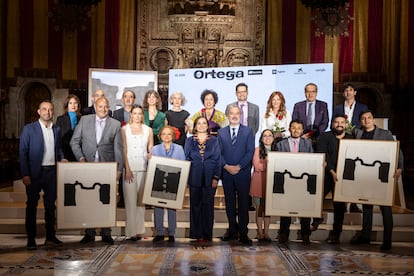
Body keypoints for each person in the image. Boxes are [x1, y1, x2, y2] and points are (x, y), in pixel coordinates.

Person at [70, 97, 123, 245]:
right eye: (100, 106)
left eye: (106, 106)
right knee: (89, 201)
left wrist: (119, 169)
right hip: (88, 167)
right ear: (95, 106)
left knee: (106, 201)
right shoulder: (85, 120)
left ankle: (106, 233)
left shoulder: (116, 124)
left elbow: (119, 149)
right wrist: (80, 158)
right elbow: (74, 141)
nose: (103, 109)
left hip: (107, 168)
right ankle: (90, 233)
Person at [350, 110, 404, 251]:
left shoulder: (385, 134)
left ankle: (387, 240)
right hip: (365, 174)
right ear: (360, 121)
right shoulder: (358, 133)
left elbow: (397, 150)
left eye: (369, 118)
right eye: (363, 118)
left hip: (382, 174)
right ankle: (365, 235)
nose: (366, 120)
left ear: (373, 119)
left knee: (385, 207)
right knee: (366, 206)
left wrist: (399, 168)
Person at [19, 100, 67, 250]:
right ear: (39, 112)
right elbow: (23, 152)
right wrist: (25, 174)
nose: (48, 112)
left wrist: (62, 158)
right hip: (34, 173)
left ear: (53, 112)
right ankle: (31, 239)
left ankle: (50, 237)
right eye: (44, 109)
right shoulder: (29, 129)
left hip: (51, 173)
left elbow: (58, 149)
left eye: (50, 110)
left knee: (50, 206)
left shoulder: (57, 129)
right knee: (32, 206)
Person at [311, 114, 353, 243]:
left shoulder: (351, 139)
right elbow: (322, 154)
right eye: (336, 122)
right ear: (332, 124)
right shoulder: (324, 136)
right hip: (326, 173)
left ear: (346, 124)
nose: (339, 124)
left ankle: (336, 234)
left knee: (339, 206)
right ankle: (316, 219)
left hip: (342, 176)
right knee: (316, 197)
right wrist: (331, 171)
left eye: (342, 122)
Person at [218, 104, 255, 246]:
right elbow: (219, 153)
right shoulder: (221, 133)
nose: (234, 116)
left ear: (241, 115)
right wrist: (226, 166)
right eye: (231, 113)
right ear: (228, 115)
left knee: (244, 203)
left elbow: (250, 152)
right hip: (227, 173)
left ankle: (244, 233)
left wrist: (239, 166)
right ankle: (232, 230)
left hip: (243, 173)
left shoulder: (248, 131)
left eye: (237, 113)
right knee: (230, 203)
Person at [276, 119, 314, 244]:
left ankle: (305, 234)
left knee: (304, 208)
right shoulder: (281, 144)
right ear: (289, 129)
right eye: (293, 127)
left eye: (299, 128)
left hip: (303, 180)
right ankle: (283, 234)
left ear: (302, 130)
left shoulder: (307, 143)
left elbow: (311, 161)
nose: (296, 130)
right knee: (286, 208)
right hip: (287, 180)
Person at [333, 83, 369, 213]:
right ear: (343, 93)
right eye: (346, 90)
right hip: (342, 141)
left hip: (357, 140)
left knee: (354, 171)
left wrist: (355, 130)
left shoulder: (362, 107)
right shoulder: (337, 108)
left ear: (355, 92)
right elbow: (335, 123)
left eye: (350, 90)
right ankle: (342, 202)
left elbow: (365, 122)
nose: (348, 92)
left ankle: (354, 203)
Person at [184, 116, 221, 243]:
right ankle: (195, 233)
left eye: (203, 123)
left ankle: (207, 234)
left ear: (207, 126)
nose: (201, 125)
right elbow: (186, 158)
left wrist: (216, 177)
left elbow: (218, 159)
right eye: (198, 123)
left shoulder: (214, 141)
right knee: (195, 206)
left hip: (210, 177)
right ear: (195, 126)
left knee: (208, 206)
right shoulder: (189, 141)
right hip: (194, 176)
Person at [122, 104, 153, 241]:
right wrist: (127, 169)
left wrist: (150, 155)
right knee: (130, 201)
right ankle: (131, 232)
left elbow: (150, 148)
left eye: (140, 113)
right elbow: (124, 150)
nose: (137, 116)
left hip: (144, 168)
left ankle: (140, 230)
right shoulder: (124, 129)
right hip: (130, 168)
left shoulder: (148, 130)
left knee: (141, 202)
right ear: (131, 115)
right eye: (135, 113)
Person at [151, 125, 186, 243]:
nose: (166, 136)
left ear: (173, 136)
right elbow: (151, 166)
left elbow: (183, 165)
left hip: (173, 182)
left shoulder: (179, 149)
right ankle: (159, 232)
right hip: (158, 182)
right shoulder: (154, 149)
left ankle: (172, 233)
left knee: (172, 208)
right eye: (164, 134)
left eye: (169, 134)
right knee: (158, 208)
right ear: (160, 136)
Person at [249, 129, 276, 242]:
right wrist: (270, 164)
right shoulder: (257, 150)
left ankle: (266, 233)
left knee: (267, 209)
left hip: (271, 183)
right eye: (265, 136)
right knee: (259, 209)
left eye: (270, 135)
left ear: (273, 138)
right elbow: (257, 166)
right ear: (261, 138)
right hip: (258, 182)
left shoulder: (277, 151)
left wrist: (267, 163)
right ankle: (259, 232)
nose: (267, 138)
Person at [113, 90, 136, 209]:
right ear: (122, 99)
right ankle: (122, 199)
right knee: (122, 171)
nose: (128, 99)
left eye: (131, 97)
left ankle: (134, 198)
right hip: (121, 145)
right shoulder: (116, 113)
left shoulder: (137, 112)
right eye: (126, 97)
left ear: (134, 99)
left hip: (135, 146)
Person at [56, 94, 81, 161]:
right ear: (67, 105)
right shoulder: (60, 119)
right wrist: (61, 156)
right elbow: (58, 139)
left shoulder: (82, 119)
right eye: (70, 103)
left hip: (79, 154)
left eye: (75, 103)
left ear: (78, 105)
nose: (73, 105)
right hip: (65, 153)